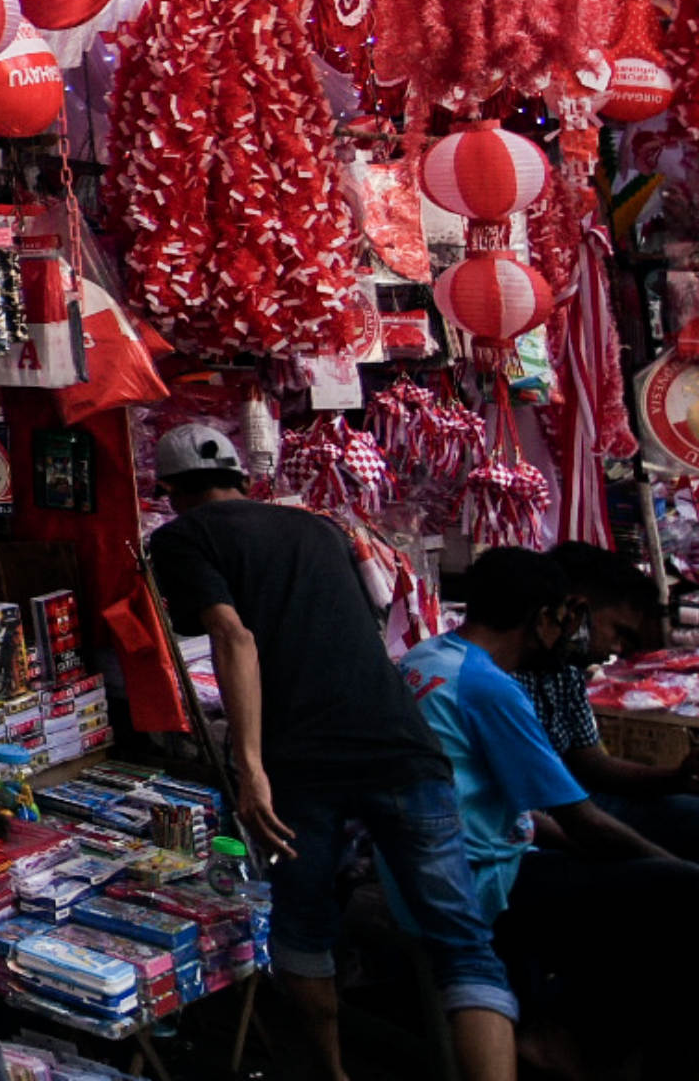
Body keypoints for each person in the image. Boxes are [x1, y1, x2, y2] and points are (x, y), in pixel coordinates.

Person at [145, 423, 515, 1081]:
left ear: (170, 491)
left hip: (304, 762)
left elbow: (232, 635)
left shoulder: (183, 537)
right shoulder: (319, 528)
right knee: (463, 943)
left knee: (304, 923)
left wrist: (250, 767)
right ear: (241, 476)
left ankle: (334, 1076)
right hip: (399, 744)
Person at [406, 547, 699, 1080]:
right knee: (688, 894)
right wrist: (673, 867)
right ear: (544, 618)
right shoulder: (491, 687)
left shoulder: (427, 659)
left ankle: (571, 1033)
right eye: (564, 618)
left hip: (439, 861)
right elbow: (581, 819)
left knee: (641, 881)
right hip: (480, 880)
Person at [522, 539, 699, 906]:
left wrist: (676, 778)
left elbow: (591, 761)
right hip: (538, 823)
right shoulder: (504, 675)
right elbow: (539, 815)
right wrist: (646, 856)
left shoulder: (565, 669)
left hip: (575, 805)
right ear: (577, 608)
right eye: (619, 632)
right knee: (665, 878)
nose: (618, 650)